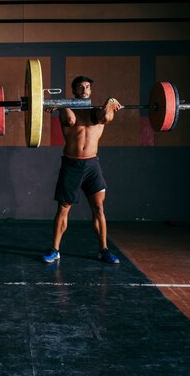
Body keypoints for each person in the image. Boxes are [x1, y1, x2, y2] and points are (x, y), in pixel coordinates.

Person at [42, 75, 123, 265]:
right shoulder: (65, 110)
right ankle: (55, 250)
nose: (84, 90)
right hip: (72, 164)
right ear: (74, 91)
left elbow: (106, 118)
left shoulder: (97, 112)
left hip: (92, 166)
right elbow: (70, 121)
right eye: (80, 87)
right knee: (63, 208)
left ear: (91, 91)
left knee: (98, 208)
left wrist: (110, 102)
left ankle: (103, 250)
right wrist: (61, 104)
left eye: (87, 87)